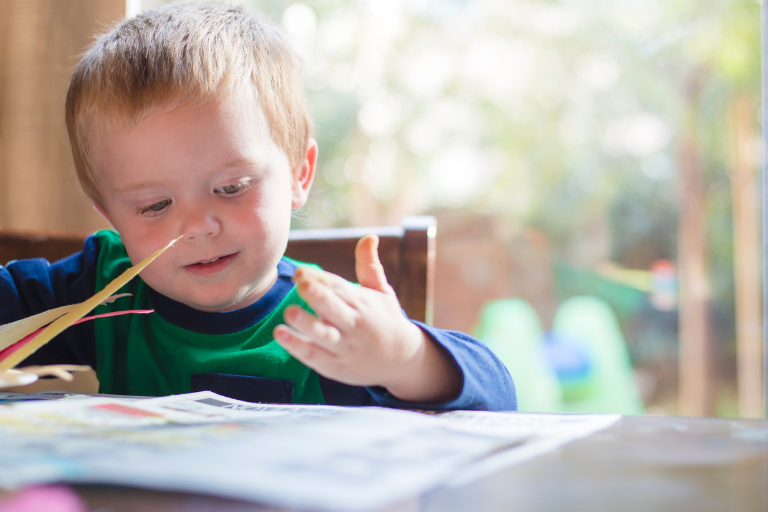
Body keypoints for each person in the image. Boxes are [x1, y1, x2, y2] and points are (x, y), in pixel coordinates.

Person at [0, 2, 515, 410]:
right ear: (110, 215)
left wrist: (405, 359)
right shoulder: (95, 292)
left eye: (231, 188)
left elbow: (498, 396)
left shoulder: (331, 325)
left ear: (299, 173)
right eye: (154, 205)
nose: (198, 225)